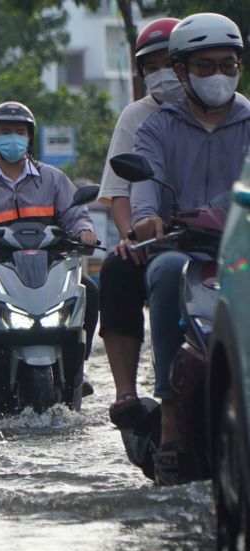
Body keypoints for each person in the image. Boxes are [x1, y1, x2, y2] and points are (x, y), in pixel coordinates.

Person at [129, 12, 250, 484]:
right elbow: (143, 189)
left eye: (228, 64)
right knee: (165, 272)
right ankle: (171, 419)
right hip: (184, 251)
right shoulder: (156, 128)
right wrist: (145, 219)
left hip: (242, 251)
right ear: (181, 71)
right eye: (205, 67)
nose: (218, 75)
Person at [0, 102, 100, 387]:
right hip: (0, 273)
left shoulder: (54, 180)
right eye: (6, 131)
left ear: (30, 137)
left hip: (51, 269)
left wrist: (84, 232)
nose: (13, 138)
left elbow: (76, 215)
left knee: (89, 290)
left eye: (20, 131)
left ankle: (78, 365)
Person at [97, 18, 183, 428]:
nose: (161, 74)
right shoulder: (140, 118)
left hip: (224, 238)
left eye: (170, 63)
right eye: (152, 67)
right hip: (158, 240)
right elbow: (121, 191)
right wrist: (132, 235)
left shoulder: (238, 115)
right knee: (116, 270)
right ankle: (126, 391)